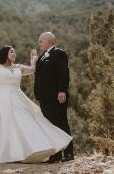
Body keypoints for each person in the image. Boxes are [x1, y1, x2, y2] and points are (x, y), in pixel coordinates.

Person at [34, 32, 74, 163]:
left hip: (56, 97)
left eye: (41, 41)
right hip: (45, 98)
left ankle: (68, 153)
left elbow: (64, 73)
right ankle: (56, 154)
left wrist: (62, 90)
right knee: (51, 126)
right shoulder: (43, 56)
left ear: (47, 41)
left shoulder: (59, 53)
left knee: (61, 123)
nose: (39, 43)